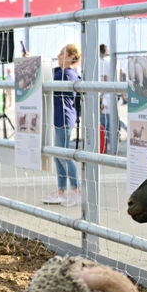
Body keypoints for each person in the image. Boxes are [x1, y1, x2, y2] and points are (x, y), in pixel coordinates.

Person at [44, 44, 82, 206]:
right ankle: (61, 192)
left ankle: (76, 191)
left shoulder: (65, 74)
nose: (58, 56)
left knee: (63, 156)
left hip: (64, 118)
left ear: (71, 57)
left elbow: (45, 76)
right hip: (61, 118)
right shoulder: (66, 73)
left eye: (62, 53)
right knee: (59, 155)